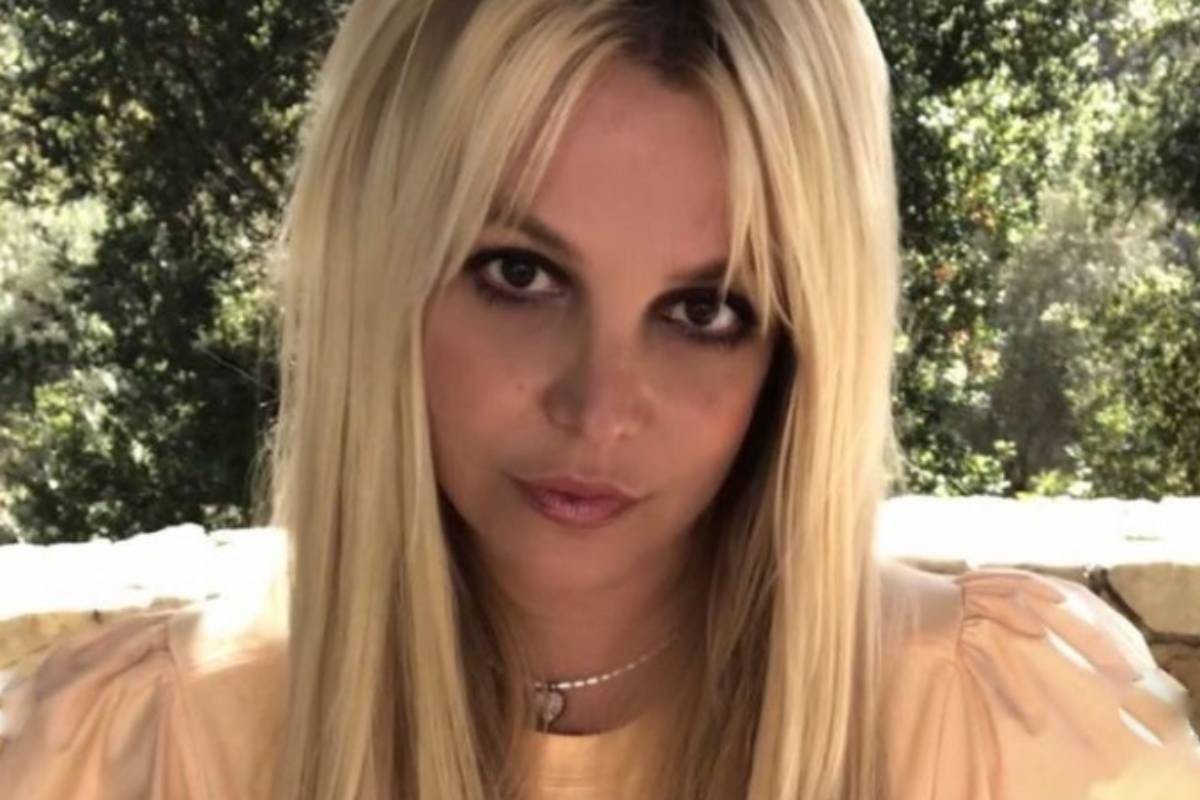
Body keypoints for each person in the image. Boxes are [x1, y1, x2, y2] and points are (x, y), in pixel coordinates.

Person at [1, 0, 1198, 798]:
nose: (600, 407)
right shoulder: (111, 760)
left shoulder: (1016, 743)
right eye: (519, 275)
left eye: (704, 309)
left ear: (801, 347)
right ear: (378, 273)